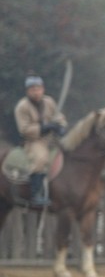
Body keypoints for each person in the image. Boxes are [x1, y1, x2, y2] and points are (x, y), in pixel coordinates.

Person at [13, 75, 67, 208]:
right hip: (34, 140)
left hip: (51, 139)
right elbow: (24, 129)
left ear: (43, 89)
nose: (36, 92)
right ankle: (35, 194)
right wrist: (44, 127)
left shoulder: (49, 102)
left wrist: (61, 127)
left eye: (38, 89)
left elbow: (59, 117)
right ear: (27, 91)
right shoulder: (22, 107)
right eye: (32, 89)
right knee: (41, 158)